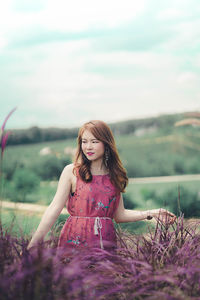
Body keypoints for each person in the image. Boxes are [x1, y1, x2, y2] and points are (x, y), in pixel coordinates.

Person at [27, 120, 176, 254]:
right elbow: (54, 208)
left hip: (105, 243)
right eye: (84, 142)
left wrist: (152, 213)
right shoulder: (72, 172)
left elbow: (120, 215)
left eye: (94, 141)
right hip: (74, 241)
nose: (88, 147)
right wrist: (34, 242)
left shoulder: (114, 176)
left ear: (106, 143)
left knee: (103, 283)